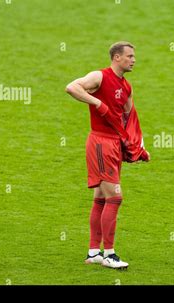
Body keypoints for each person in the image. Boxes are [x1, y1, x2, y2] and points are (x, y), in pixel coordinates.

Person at [65, 41, 149, 269]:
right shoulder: (99, 77)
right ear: (116, 58)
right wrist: (97, 103)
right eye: (129, 56)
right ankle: (109, 254)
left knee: (101, 198)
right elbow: (72, 87)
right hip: (100, 143)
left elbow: (128, 119)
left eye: (134, 56)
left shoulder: (127, 87)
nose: (133, 60)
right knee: (115, 197)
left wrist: (136, 147)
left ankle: (94, 253)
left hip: (113, 144)